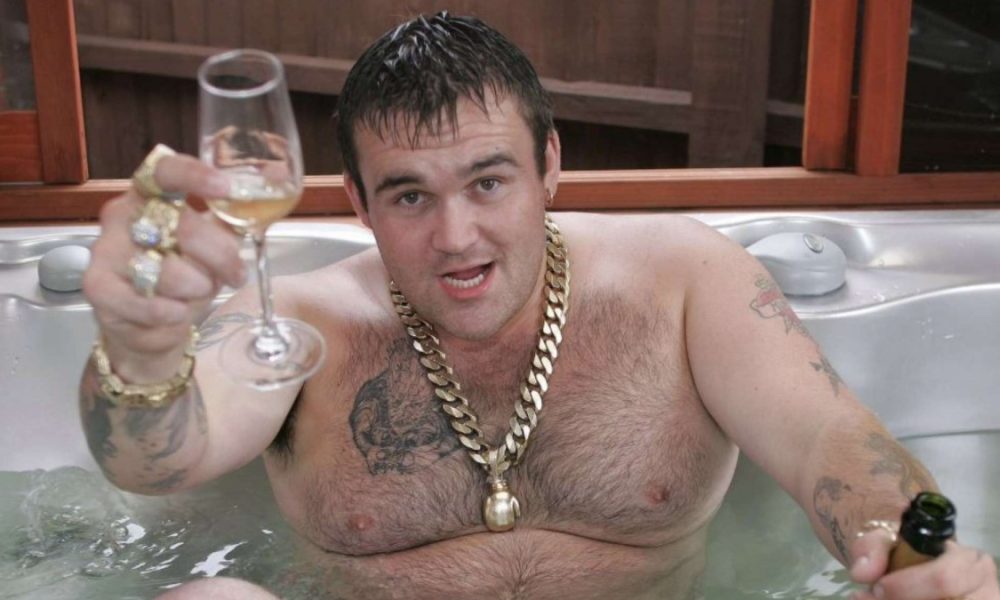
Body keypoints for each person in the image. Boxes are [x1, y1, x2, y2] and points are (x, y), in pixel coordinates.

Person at [79, 11, 998, 600]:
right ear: (356, 202)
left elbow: (828, 440)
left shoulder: (684, 280)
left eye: (489, 182)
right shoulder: (300, 319)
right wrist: (140, 349)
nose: (456, 236)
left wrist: (910, 555)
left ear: (549, 164)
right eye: (409, 195)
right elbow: (155, 464)